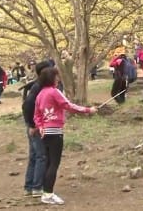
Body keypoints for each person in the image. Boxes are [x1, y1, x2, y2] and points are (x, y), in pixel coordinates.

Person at [35, 67, 98, 205]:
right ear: (52, 78)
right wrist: (88, 110)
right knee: (54, 164)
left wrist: (41, 128)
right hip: (55, 132)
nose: (58, 79)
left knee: (48, 163)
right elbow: (69, 105)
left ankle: (45, 192)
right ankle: (48, 194)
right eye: (56, 76)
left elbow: (37, 115)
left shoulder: (40, 94)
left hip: (45, 133)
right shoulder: (54, 92)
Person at [22, 61, 53, 198]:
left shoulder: (39, 85)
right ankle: (36, 187)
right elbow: (27, 105)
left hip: (34, 125)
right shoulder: (38, 87)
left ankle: (29, 186)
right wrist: (33, 125)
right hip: (35, 126)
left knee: (35, 155)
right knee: (41, 156)